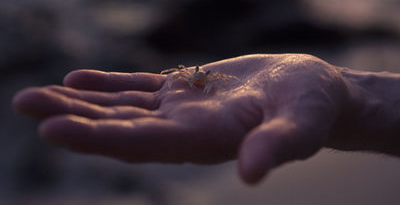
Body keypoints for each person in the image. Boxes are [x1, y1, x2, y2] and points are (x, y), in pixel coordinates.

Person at [12, 54, 400, 184]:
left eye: (201, 73)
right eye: (194, 72)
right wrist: (355, 95)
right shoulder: (187, 74)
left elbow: (216, 78)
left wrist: (352, 96)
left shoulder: (211, 77)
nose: (199, 73)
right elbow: (181, 72)